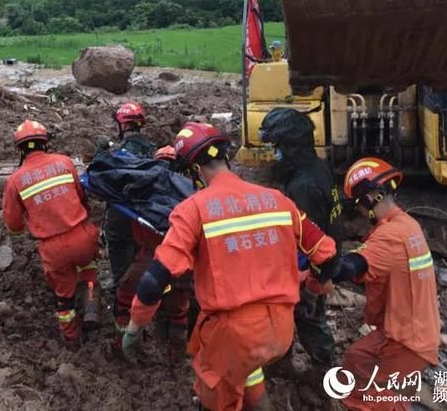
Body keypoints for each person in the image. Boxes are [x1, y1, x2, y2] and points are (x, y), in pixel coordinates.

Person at [122, 122, 339, 410]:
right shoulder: (277, 200)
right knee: (248, 366)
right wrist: (317, 281)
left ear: (194, 170)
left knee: (215, 395)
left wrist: (134, 329)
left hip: (232, 336)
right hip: (280, 332)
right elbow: (326, 252)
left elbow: (154, 281)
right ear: (225, 157)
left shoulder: (193, 210)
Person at [332, 157, 440, 410]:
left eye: (358, 205)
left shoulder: (390, 237)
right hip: (404, 329)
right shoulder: (408, 225)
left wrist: (318, 265)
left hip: (408, 341)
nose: (358, 211)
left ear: (369, 200)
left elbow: (350, 267)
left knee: (375, 398)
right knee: (356, 359)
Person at [2, 119, 100, 350]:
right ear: (45, 143)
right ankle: (92, 307)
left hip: (53, 248)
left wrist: (23, 227)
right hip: (82, 234)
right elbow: (82, 197)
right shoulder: (64, 163)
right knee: (89, 271)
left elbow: (13, 224)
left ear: (20, 149)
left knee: (63, 295)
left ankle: (72, 340)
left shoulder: (15, 180)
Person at [260, 108, 343, 368]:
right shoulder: (317, 167)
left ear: (291, 146)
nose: (275, 153)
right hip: (325, 261)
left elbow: (307, 237)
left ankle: (320, 369)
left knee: (302, 317)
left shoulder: (303, 186)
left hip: (309, 270)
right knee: (310, 316)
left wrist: (310, 277)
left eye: (278, 146)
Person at [112, 145, 191, 361]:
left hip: (149, 258)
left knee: (126, 299)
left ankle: (124, 346)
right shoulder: (190, 194)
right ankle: (177, 356)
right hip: (181, 261)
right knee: (179, 308)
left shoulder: (142, 192)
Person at [102, 102, 157, 289]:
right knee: (141, 247)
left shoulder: (118, 154)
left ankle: (121, 285)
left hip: (121, 210)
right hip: (148, 210)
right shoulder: (153, 150)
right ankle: (141, 279)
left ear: (123, 125)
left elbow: (106, 182)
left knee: (118, 243)